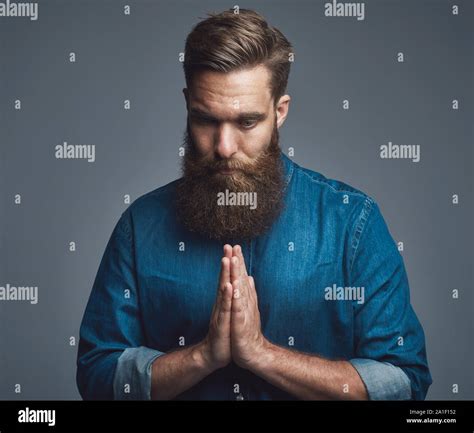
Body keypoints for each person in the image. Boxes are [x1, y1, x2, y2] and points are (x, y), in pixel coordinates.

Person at [76, 8, 432, 401]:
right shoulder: (140, 227)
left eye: (246, 122)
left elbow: (405, 382)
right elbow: (97, 376)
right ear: (187, 105)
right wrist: (202, 357)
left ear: (279, 113)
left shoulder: (352, 223)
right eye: (205, 120)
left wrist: (263, 355)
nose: (224, 147)